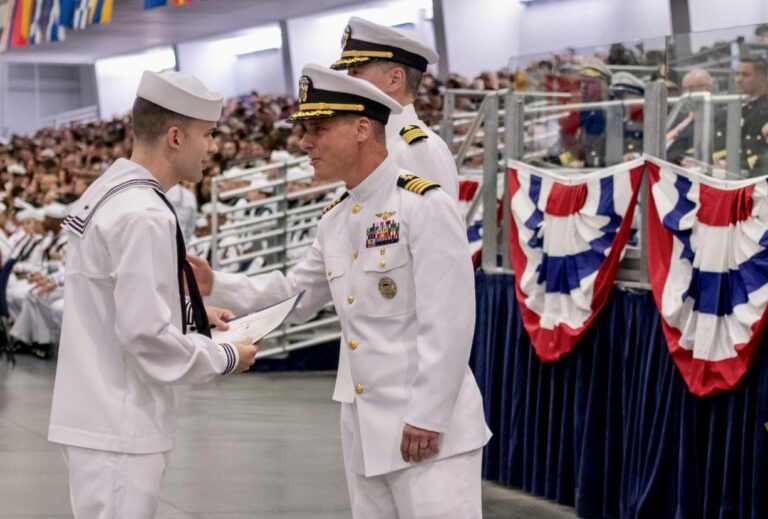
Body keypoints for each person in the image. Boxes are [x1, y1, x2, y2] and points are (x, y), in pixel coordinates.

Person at [192, 64, 491, 518]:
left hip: (427, 428)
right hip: (365, 428)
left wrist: (428, 414)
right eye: (304, 130)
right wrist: (217, 284)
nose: (304, 143)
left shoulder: (422, 205)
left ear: (362, 128)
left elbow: (449, 319)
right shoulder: (336, 218)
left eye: (319, 128)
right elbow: (296, 294)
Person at [48, 70, 259, 518]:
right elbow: (144, 334)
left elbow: (116, 299)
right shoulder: (145, 213)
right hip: (121, 420)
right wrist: (223, 356)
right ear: (177, 137)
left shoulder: (112, 193)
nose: (214, 147)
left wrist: (191, 314)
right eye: (209, 134)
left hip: (99, 413)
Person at [330, 17, 459, 200]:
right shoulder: (377, 144)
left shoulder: (417, 151)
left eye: (356, 72)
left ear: (395, 79)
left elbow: (438, 225)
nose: (349, 82)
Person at [713, 56, 768, 176]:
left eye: (745, 75)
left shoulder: (765, 110)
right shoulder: (729, 110)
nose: (738, 80)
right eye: (737, 74)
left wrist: (734, 166)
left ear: (762, 79)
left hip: (753, 177)